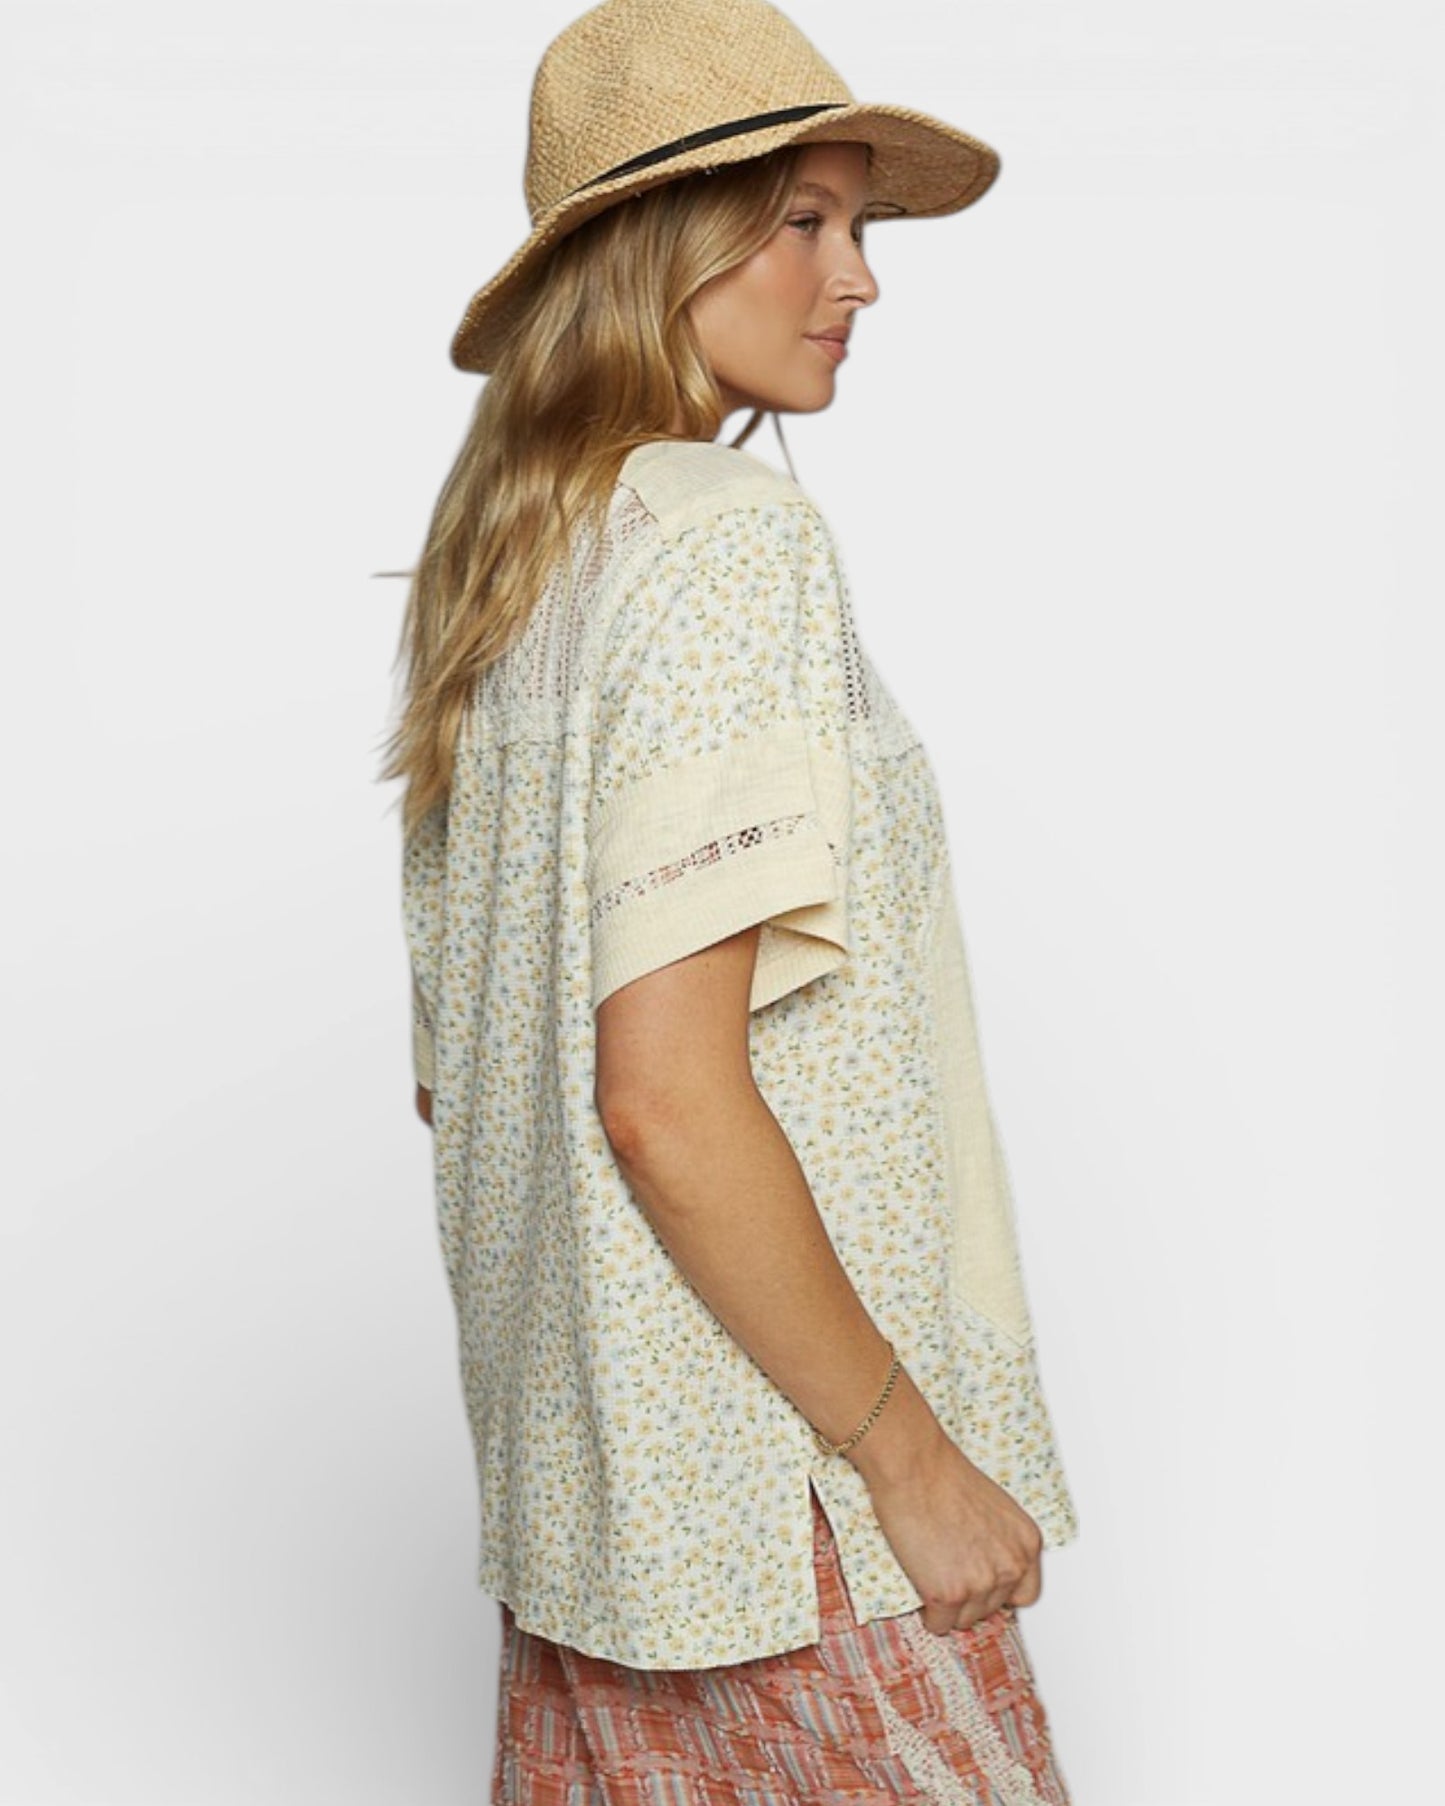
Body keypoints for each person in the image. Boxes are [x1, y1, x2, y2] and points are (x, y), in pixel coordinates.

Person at [381, 1, 1080, 1799]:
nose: (858, 278)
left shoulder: (503, 586)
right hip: (787, 1518)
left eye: (858, 223)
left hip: (600, 1526)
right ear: (656, 248)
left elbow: (466, 1093)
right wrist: (911, 1465)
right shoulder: (723, 546)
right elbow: (661, 1094)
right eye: (803, 223)